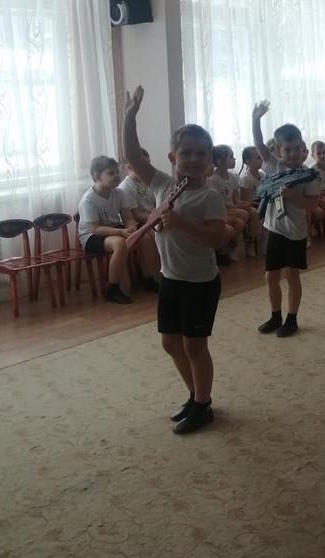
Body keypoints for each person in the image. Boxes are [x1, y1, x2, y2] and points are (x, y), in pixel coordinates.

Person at [123, 85, 227, 435]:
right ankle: (195, 396)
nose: (193, 159)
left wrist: (181, 222)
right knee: (170, 343)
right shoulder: (162, 185)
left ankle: (203, 406)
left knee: (195, 346)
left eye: (201, 154)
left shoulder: (210, 197)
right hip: (171, 278)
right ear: (172, 157)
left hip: (200, 283)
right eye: (186, 153)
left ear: (210, 161)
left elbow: (217, 238)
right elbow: (133, 156)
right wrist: (129, 117)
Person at [252, 100, 320, 337]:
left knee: (292, 276)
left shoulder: (309, 175)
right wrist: (255, 119)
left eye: (297, 148)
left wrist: (293, 197)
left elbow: (313, 205)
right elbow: (258, 143)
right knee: (270, 276)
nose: (293, 154)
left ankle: (292, 319)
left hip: (295, 233)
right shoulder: (273, 166)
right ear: (278, 151)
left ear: (303, 148)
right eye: (287, 150)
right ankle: (275, 316)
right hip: (275, 229)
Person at [78, 155, 159, 303]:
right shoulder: (88, 200)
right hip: (91, 236)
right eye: (111, 173)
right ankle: (113, 289)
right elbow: (95, 229)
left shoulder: (119, 193)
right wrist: (121, 232)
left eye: (117, 172)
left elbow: (128, 218)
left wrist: (132, 229)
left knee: (145, 238)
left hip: (114, 229)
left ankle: (149, 279)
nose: (117, 176)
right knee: (119, 244)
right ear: (96, 177)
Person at [209, 145, 250, 262]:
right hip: (222, 209)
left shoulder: (232, 177)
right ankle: (223, 249)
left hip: (231, 207)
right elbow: (219, 203)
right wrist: (237, 206)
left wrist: (241, 204)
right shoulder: (213, 179)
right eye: (231, 157)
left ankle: (228, 248)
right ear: (219, 161)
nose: (234, 159)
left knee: (242, 219)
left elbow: (236, 199)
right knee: (242, 215)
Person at [120, 147, 155, 225]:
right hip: (139, 224)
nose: (148, 168)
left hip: (152, 219)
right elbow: (136, 216)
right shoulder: (125, 188)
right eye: (142, 165)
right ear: (129, 167)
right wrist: (158, 219)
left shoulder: (148, 180)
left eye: (148, 163)